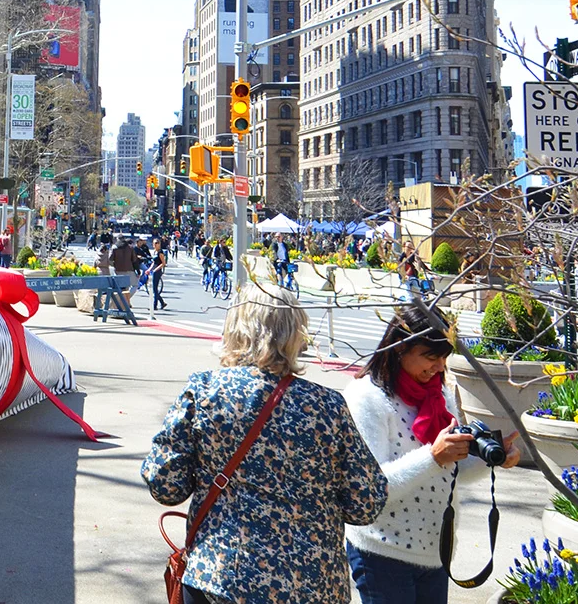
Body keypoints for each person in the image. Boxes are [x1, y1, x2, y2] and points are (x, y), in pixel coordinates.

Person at [143, 287, 387, 604]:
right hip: (311, 584)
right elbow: (366, 503)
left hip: (219, 575)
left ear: (235, 329)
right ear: (295, 334)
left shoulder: (205, 391)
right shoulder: (328, 406)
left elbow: (166, 485)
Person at [345, 307, 521, 603]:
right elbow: (372, 487)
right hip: (382, 553)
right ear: (401, 347)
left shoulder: (439, 396)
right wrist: (432, 457)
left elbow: (452, 472)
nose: (439, 367)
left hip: (436, 551)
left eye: (444, 357)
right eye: (431, 356)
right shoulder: (366, 397)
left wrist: (494, 458)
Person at [150, 236, 169, 310]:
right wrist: (149, 269)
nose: (155, 244)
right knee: (154, 289)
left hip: (157, 271)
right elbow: (153, 262)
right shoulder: (155, 252)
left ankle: (155, 305)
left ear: (159, 244)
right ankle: (162, 302)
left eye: (157, 243)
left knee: (155, 289)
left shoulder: (160, 252)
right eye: (154, 243)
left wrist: (156, 269)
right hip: (154, 271)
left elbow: (163, 263)